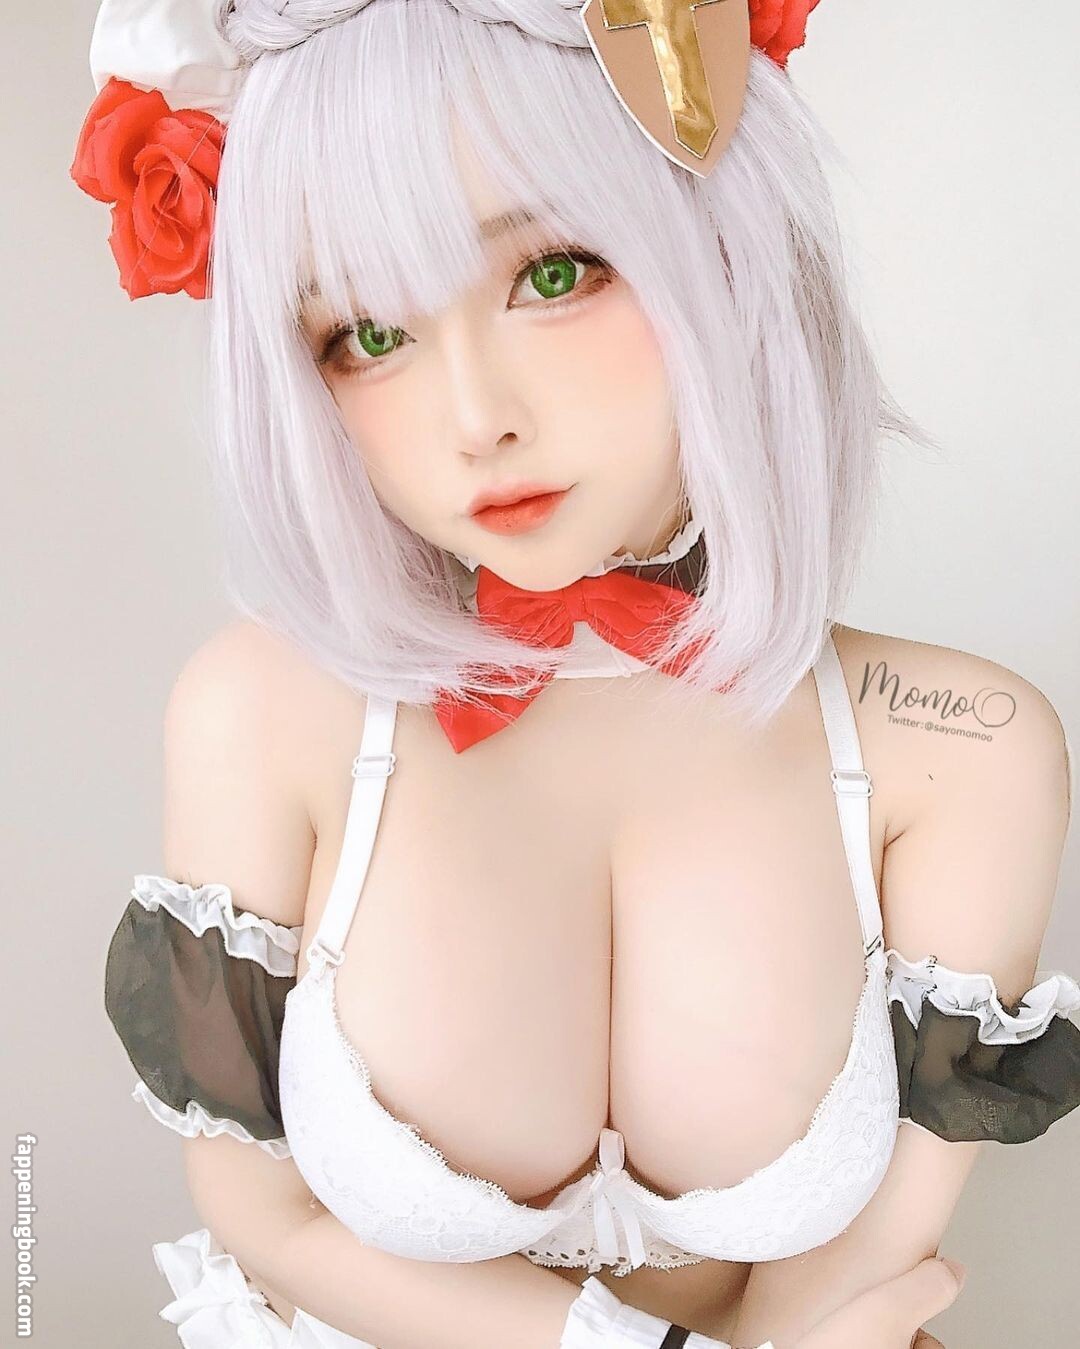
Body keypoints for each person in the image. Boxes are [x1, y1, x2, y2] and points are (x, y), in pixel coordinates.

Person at [73, 1, 1080, 1345]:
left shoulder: (964, 749)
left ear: (724, 248)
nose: (474, 417)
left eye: (553, 275)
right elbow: (268, 1217)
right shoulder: (261, 718)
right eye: (367, 335)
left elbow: (866, 1268)